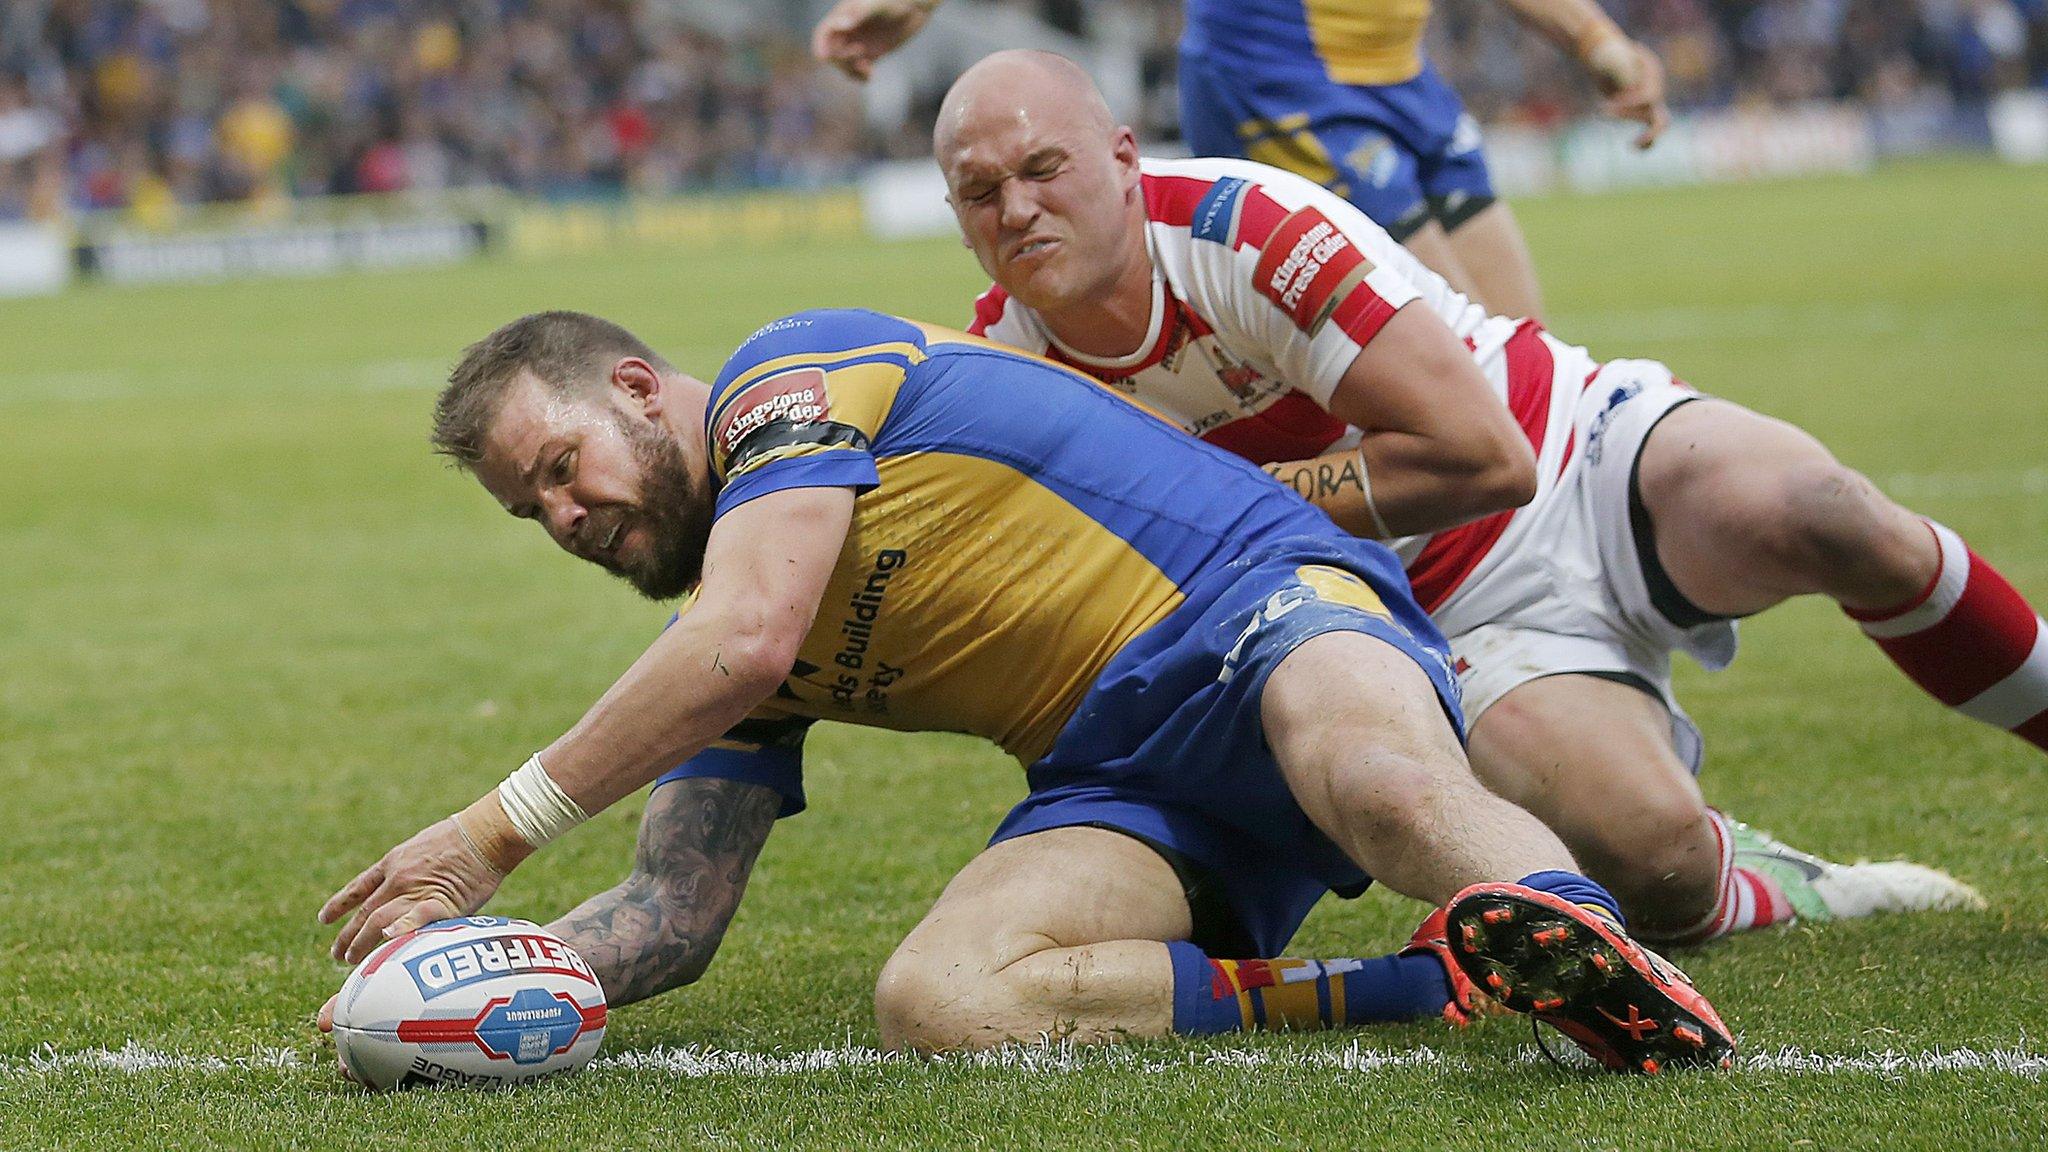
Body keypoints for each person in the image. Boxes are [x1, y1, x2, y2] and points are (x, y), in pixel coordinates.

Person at [318, 307, 1734, 1073]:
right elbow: (671, 919)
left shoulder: (786, 382)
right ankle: (1434, 985)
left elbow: (742, 641)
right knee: (940, 1000)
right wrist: (444, 988)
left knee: (1374, 778)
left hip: (1260, 607)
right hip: (1121, 780)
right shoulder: (731, 622)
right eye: (532, 512)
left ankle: (1603, 956)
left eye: (563, 467)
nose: (564, 518)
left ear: (636, 388)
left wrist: (487, 836)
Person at [933, 52, 2022, 944]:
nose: (1017, 209)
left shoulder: (1242, 233)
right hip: (1446, 620)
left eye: (1044, 168)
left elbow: (1484, 457)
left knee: (1822, 510)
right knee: (1655, 861)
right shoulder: (1013, 375)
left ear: (1123, 158)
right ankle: (1768, 880)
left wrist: (1242, 499)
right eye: (981, 193)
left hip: (1568, 455)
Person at [812, 0, 1671, 320]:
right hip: (1276, 75)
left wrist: (1598, 40)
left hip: (1400, 75)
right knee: (1451, 363)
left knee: (1527, 357)